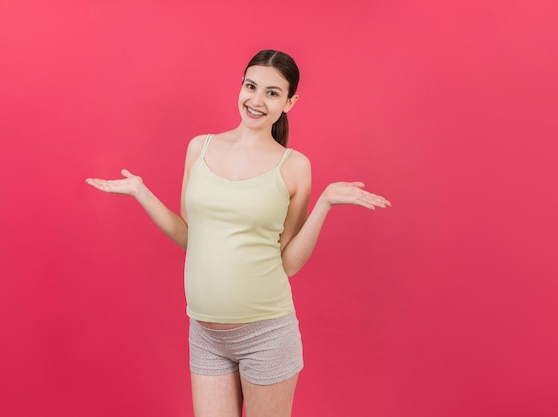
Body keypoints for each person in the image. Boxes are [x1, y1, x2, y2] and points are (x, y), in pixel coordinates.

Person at [85, 49, 390, 417]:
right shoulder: (200, 147)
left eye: (273, 93)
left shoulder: (294, 166)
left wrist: (324, 204)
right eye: (251, 86)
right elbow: (188, 235)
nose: (257, 100)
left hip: (266, 334)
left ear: (290, 102)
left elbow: (288, 263)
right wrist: (141, 192)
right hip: (206, 334)